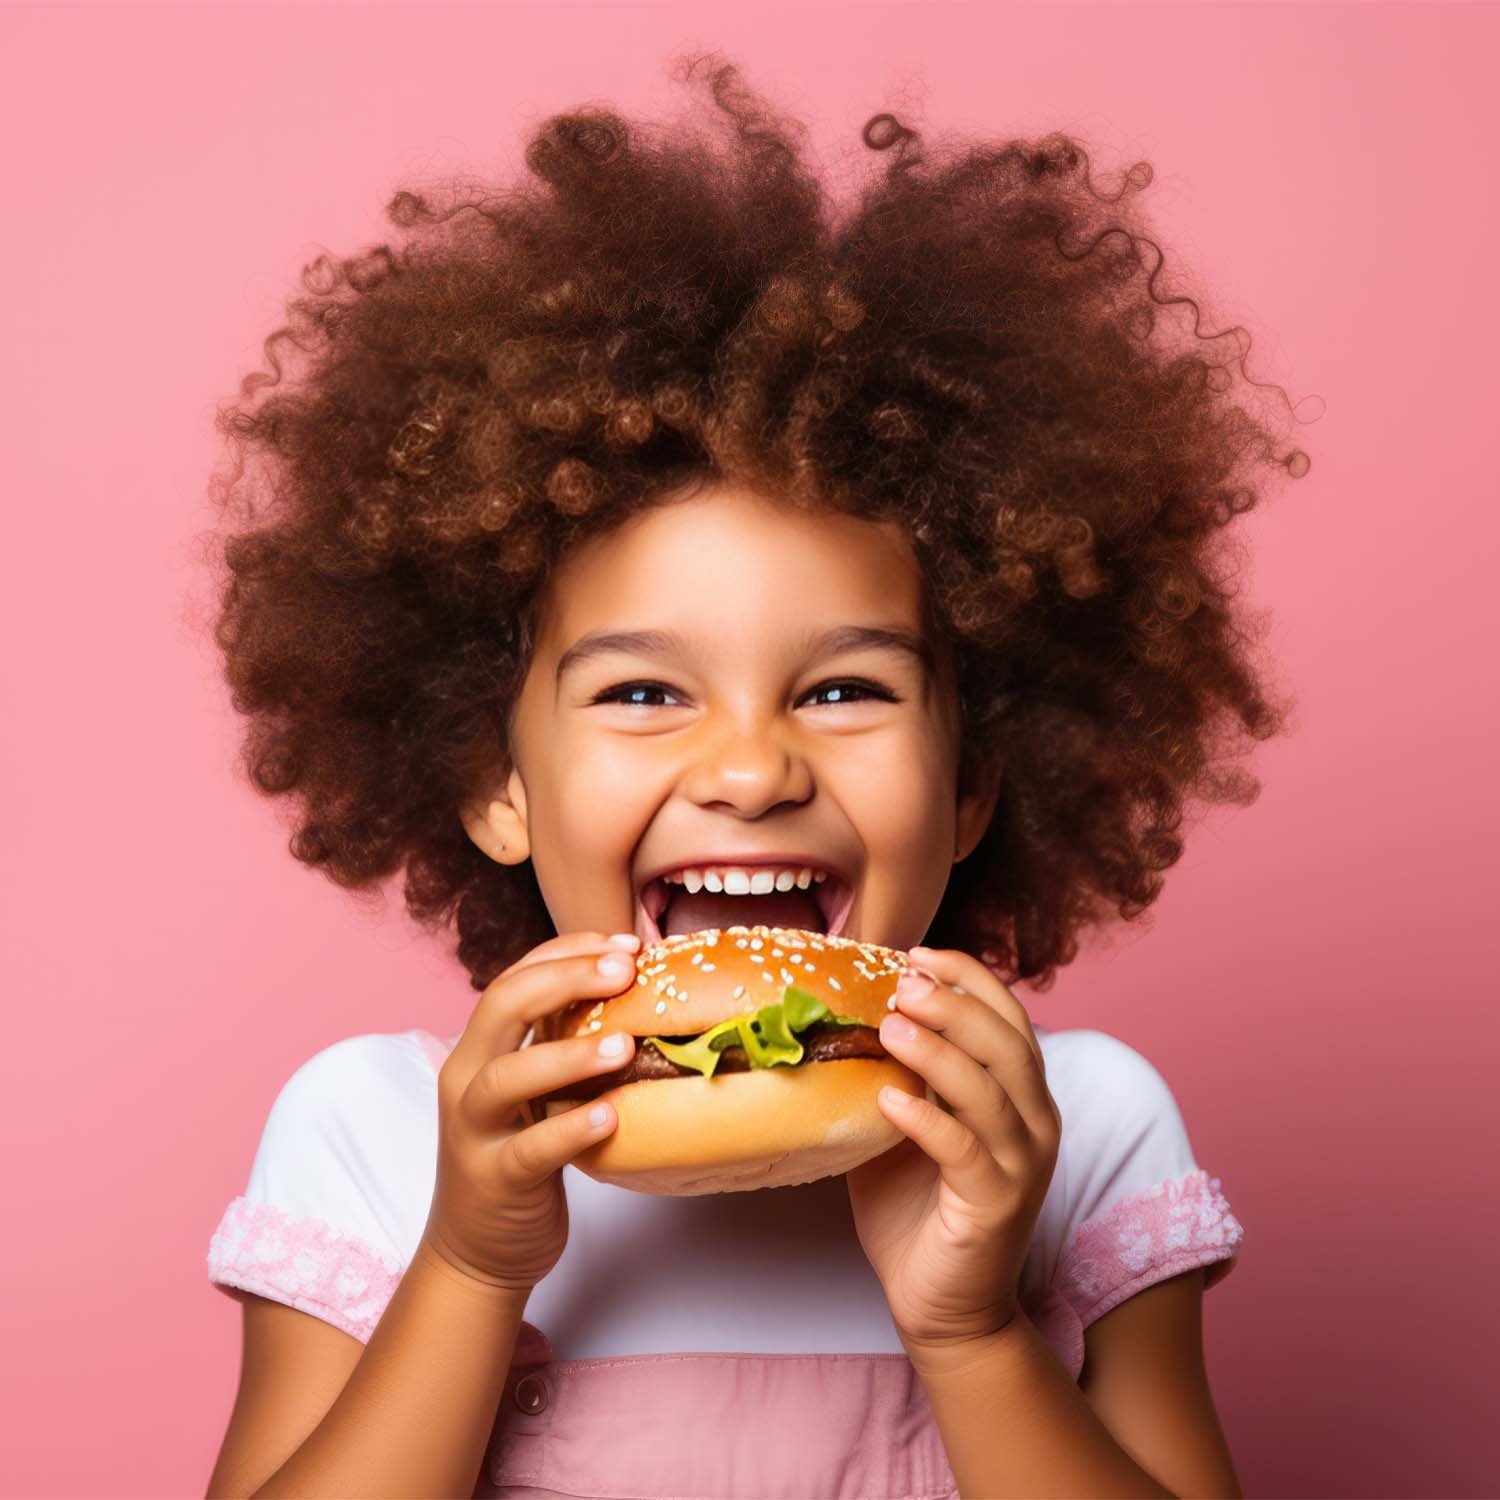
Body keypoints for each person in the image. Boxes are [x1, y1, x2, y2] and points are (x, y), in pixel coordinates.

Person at [200, 51, 1308, 1500]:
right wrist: (472, 1263)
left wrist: (970, 1328)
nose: (748, 764)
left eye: (845, 687)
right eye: (645, 691)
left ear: (975, 783)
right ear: (495, 780)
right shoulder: (380, 1132)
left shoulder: (1077, 1124)